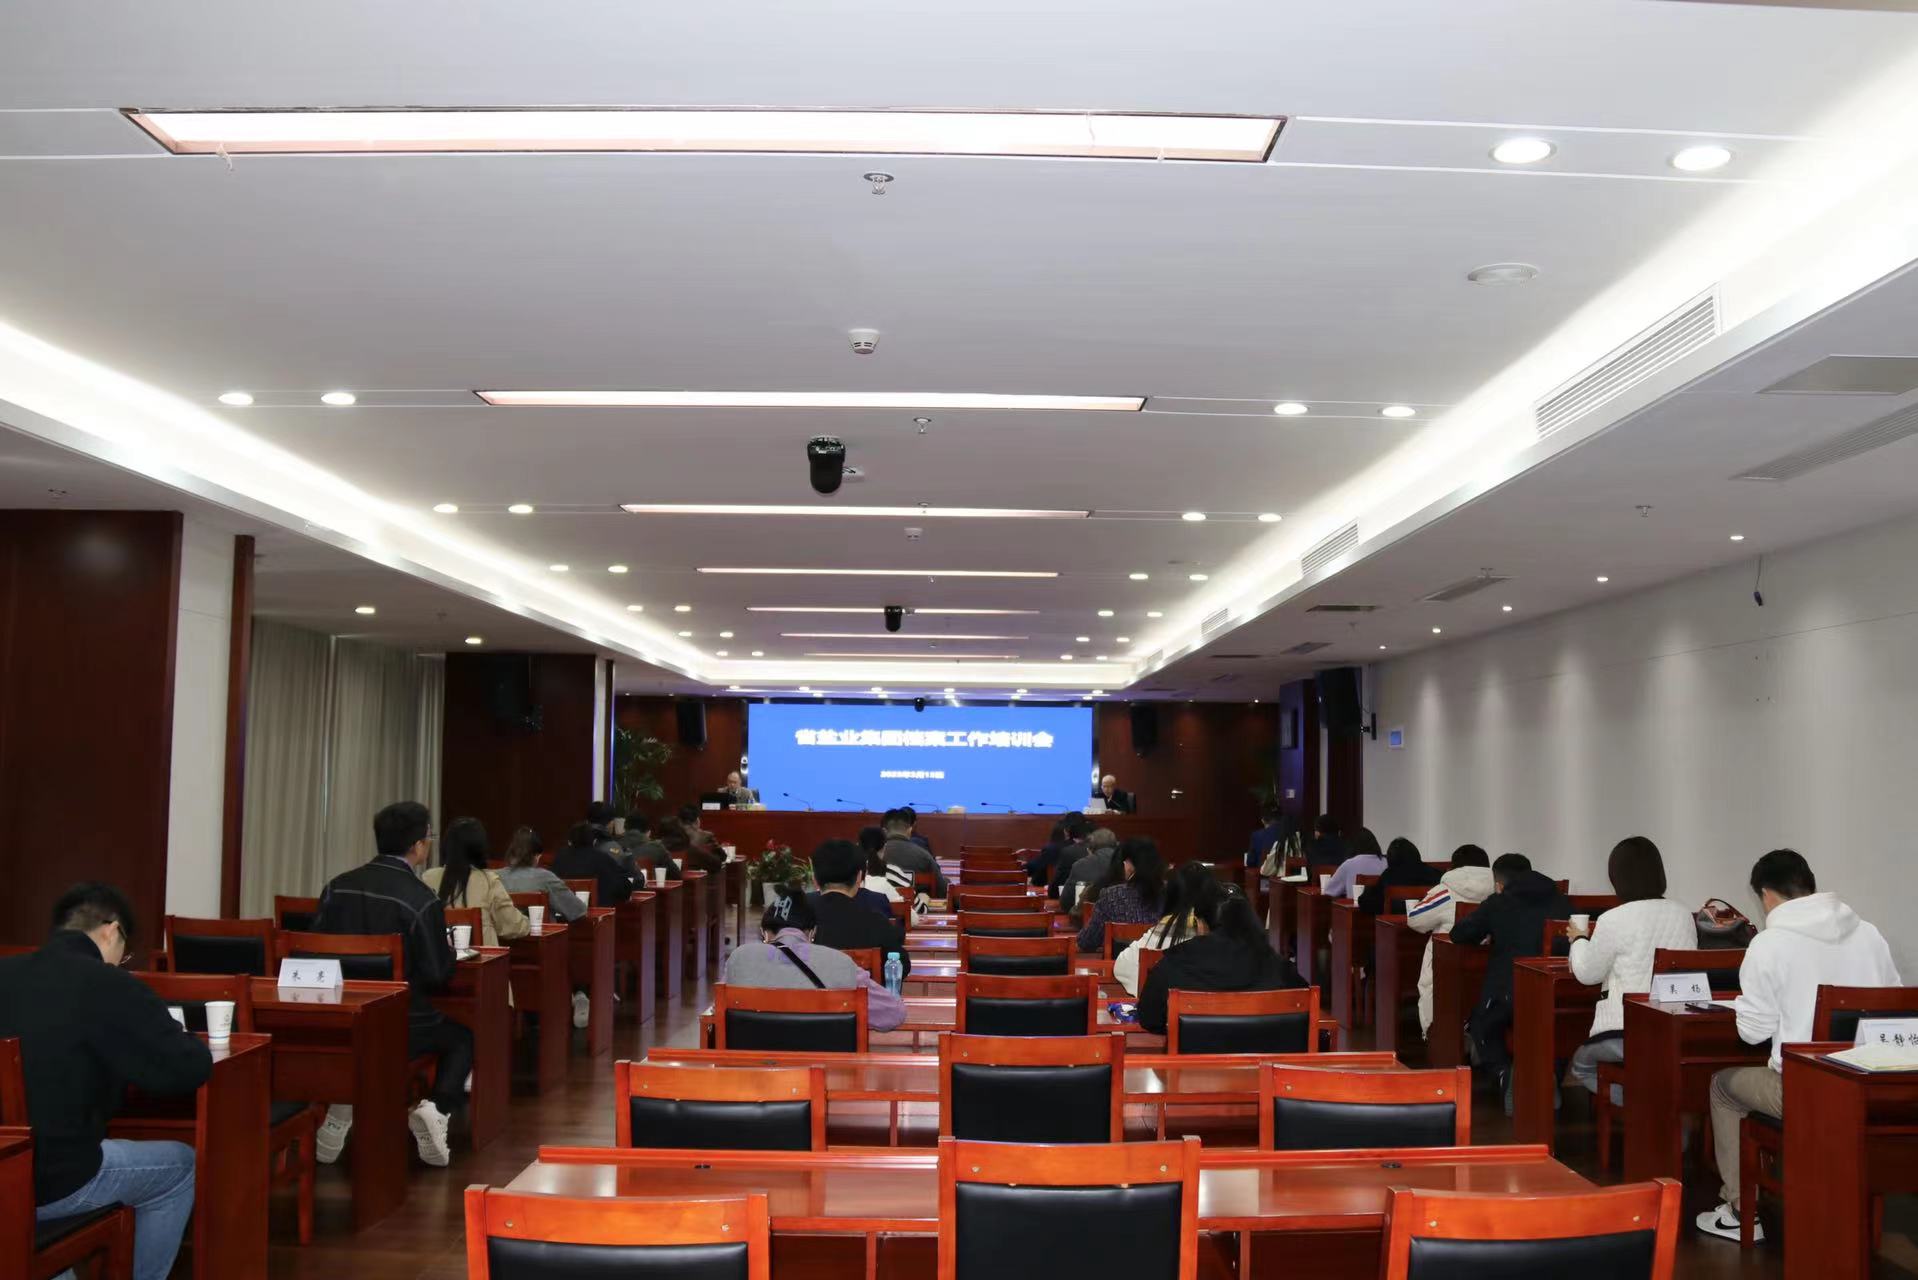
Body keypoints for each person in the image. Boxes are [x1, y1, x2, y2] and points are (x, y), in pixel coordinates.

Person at [0, 883, 211, 1280]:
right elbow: (189, 1066)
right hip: (58, 1180)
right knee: (182, 1166)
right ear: (111, 931)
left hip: (6, 1175)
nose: (120, 962)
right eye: (124, 953)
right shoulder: (108, 983)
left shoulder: (5, 973)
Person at [1695, 849, 1899, 1242]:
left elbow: (1752, 1033)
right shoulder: (1869, 933)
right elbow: (1892, 1008)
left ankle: (1739, 1210)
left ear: (1765, 894)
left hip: (1808, 1092)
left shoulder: (1769, 944)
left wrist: (1746, 1003)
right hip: (1870, 1089)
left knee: (1722, 1086)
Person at [310, 801, 470, 1167]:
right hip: (402, 1023)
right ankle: (436, 1109)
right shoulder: (421, 899)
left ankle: (343, 1104)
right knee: (462, 1039)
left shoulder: (337, 887)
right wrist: (449, 953)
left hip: (340, 1017)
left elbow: (313, 949)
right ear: (417, 845)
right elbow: (437, 974)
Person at [1564, 837, 1698, 1102]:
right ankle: (1653, 1107)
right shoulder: (1683, 914)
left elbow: (1587, 973)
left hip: (1626, 1033)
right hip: (1676, 1030)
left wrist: (1578, 938)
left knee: (1581, 1066)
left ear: (1617, 878)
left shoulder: (1613, 919)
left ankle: (1640, 1108)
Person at [1449, 853, 1569, 1107]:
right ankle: (1552, 1076)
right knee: (1559, 1030)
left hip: (1510, 995)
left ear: (1499, 883)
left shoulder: (1499, 902)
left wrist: (1491, 932)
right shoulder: (1562, 900)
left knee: (1481, 1024)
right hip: (1557, 995)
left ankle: (1504, 1074)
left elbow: (1459, 933)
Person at [721, 886, 906, 1031]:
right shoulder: (840, 964)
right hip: (824, 1066)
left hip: (752, 1067)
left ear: (764, 932)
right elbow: (894, 1014)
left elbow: (718, 1012)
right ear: (813, 932)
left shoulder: (739, 959)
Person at [1137, 880, 1305, 1034]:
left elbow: (1149, 1018)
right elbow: (1304, 1010)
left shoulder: (1176, 961)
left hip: (1196, 1056)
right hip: (1268, 1055)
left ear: (1201, 923)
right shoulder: (1278, 965)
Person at [1406, 845, 1494, 1038]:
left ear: (1455, 866)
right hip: (1486, 973)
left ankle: (1434, 1033)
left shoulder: (1445, 892)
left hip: (1447, 970)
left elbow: (1415, 920)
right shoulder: (1498, 891)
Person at [806, 839, 911, 974]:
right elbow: (901, 967)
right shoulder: (876, 922)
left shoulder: (798, 918)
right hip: (861, 988)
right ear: (859, 877)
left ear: (814, 879)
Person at [423, 817, 531, 948]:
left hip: (439, 958)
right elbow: (512, 926)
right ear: (480, 848)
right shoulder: (488, 881)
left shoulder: (428, 878)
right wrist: (527, 922)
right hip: (483, 958)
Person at [1115, 860, 1213, 995]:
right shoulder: (1222, 940)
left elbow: (1122, 966)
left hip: (1159, 1004)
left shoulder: (1164, 930)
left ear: (1170, 895)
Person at [1077, 836, 1168, 953]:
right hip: (1161, 962)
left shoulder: (1111, 895)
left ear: (1129, 864)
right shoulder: (1169, 894)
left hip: (1119, 962)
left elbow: (1087, 942)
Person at [497, 826, 588, 922]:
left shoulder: (494, 877)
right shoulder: (545, 877)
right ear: (536, 856)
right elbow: (578, 911)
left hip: (501, 931)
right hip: (540, 931)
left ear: (511, 853)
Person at [553, 820, 638, 907]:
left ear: (569, 842)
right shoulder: (603, 858)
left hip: (562, 911)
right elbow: (624, 888)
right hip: (600, 912)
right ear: (594, 841)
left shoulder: (559, 859)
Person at [1357, 837, 1440, 914]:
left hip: (1394, 923)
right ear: (1416, 853)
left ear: (1390, 857)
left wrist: (1368, 889)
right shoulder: (1434, 873)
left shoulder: (1389, 875)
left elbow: (1367, 903)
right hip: (1431, 921)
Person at [880, 809, 946, 896]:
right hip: (916, 903)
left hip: (878, 903)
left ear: (884, 831)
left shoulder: (874, 855)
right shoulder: (924, 855)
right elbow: (942, 890)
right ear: (910, 830)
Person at [1061, 827, 1119, 915]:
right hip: (1122, 918)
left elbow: (1066, 902)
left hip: (1087, 917)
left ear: (1090, 849)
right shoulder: (1126, 862)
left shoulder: (1080, 865)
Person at [1323, 827, 1387, 900]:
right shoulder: (1386, 862)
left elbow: (1329, 891)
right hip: (1381, 906)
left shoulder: (1349, 864)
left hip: (1355, 906)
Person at [1047, 814, 1095, 899]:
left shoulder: (1069, 852)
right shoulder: (1108, 851)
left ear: (1067, 831)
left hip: (1074, 899)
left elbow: (1056, 886)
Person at [617, 811, 677, 878]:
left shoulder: (612, 846)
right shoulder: (657, 848)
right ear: (647, 831)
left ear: (625, 828)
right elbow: (675, 874)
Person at [858, 826, 907, 900]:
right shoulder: (894, 873)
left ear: (858, 845)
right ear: (884, 847)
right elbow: (912, 901)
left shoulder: (851, 873)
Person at [1025, 819, 1071, 887]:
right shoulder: (1077, 847)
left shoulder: (1052, 849)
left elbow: (1034, 866)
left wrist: (1018, 868)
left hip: (1051, 886)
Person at [1247, 804, 1291, 870]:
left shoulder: (1257, 836)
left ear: (1263, 820)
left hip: (1264, 875)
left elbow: (1250, 862)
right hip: (1290, 875)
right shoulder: (1291, 834)